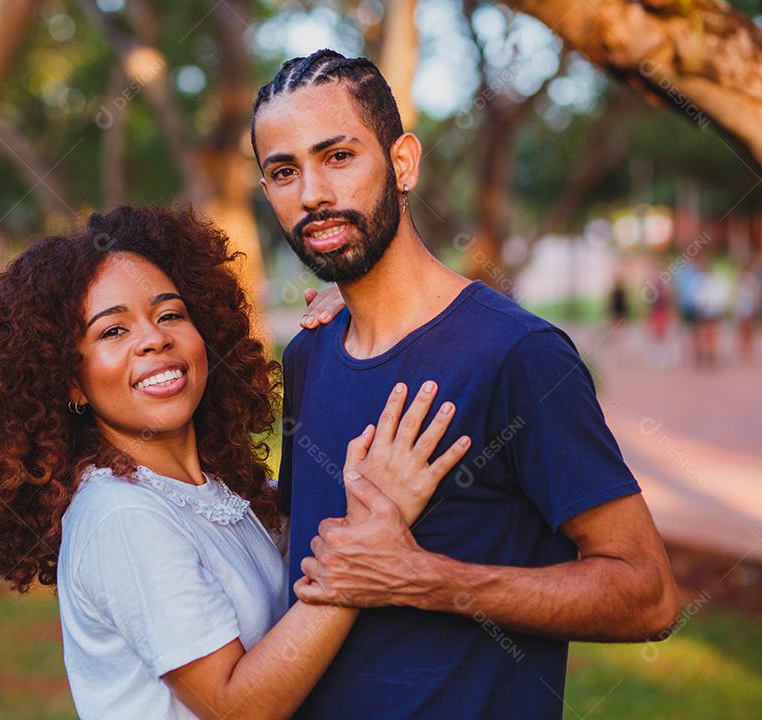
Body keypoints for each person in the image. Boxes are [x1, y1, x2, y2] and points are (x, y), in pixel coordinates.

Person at [251, 49, 679, 719]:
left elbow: (648, 594)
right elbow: (306, 545)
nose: (312, 195)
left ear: (402, 163)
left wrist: (423, 579)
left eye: (338, 157)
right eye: (283, 172)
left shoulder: (518, 355)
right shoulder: (308, 353)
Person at [0, 204, 471, 719]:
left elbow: (312, 547)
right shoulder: (123, 517)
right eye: (113, 331)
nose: (154, 339)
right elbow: (237, 707)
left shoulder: (222, 486)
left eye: (170, 313)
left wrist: (360, 307)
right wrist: (362, 551)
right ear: (71, 382)